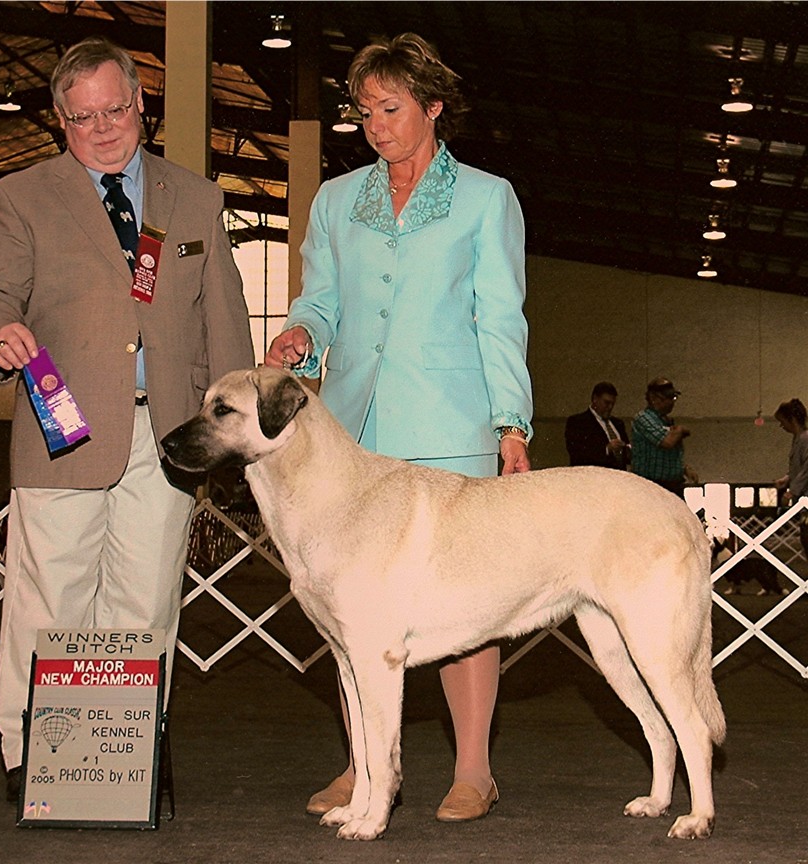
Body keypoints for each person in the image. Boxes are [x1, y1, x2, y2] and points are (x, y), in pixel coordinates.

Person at [0, 36, 254, 802]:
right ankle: (32, 757)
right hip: (65, 433)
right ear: (60, 120)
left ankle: (128, 759)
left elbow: (225, 325)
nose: (102, 127)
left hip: (167, 440)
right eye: (82, 116)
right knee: (47, 605)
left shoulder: (197, 198)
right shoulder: (23, 195)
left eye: (115, 109)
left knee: (146, 605)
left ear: (140, 105)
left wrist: (235, 434)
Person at [265, 32, 533, 823]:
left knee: (470, 607)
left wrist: (511, 424)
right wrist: (300, 335)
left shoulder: (487, 198)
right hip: (353, 434)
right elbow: (321, 300)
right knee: (355, 610)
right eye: (365, 111)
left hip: (452, 424)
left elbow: (500, 320)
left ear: (433, 107)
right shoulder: (338, 201)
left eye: (391, 108)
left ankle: (474, 769)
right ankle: (365, 764)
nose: (377, 125)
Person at [631, 377, 697, 495]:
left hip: (673, 484)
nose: (672, 402)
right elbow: (667, 442)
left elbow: (668, 453)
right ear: (653, 398)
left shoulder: (666, 421)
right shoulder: (643, 418)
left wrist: (684, 469)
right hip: (652, 486)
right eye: (667, 398)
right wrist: (680, 430)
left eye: (674, 398)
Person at [564, 381, 631, 469]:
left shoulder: (618, 423)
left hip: (618, 477)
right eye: (606, 403)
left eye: (612, 404)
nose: (610, 407)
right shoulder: (578, 422)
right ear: (595, 399)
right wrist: (607, 449)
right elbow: (577, 455)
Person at [773, 398, 808, 561]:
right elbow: (800, 467)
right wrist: (787, 479)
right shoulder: (798, 439)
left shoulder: (805, 439)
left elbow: (807, 469)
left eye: (782, 422)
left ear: (792, 419)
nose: (781, 426)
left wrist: (792, 491)